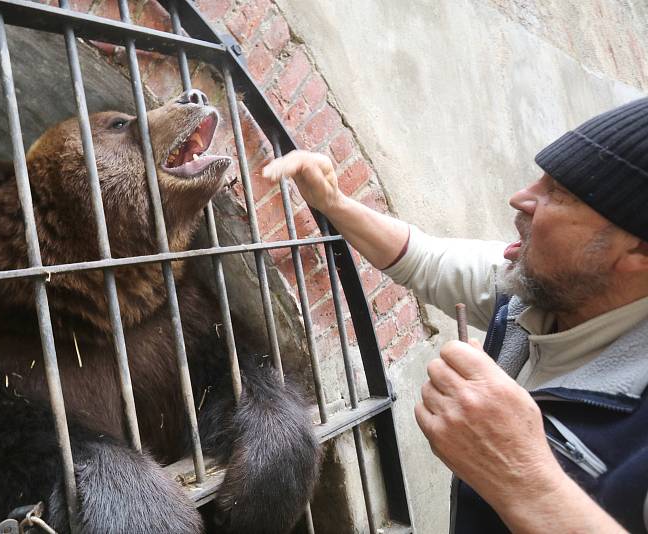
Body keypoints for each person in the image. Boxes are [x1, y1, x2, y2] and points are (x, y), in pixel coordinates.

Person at [262, 97, 648, 533]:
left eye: (559, 194)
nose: (521, 198)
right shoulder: (537, 290)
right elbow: (422, 259)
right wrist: (333, 202)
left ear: (637, 251)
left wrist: (524, 480)